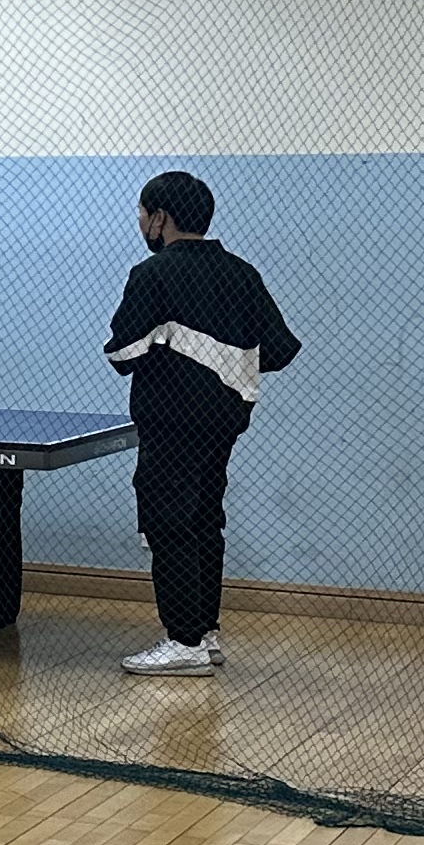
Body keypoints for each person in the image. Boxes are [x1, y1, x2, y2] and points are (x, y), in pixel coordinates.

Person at [104, 170, 300, 676]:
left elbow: (122, 353)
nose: (141, 223)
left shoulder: (152, 275)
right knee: (205, 520)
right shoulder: (242, 273)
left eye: (143, 214)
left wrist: (179, 357)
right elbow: (280, 349)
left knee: (168, 524)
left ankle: (184, 641)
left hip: (170, 422)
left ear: (161, 218)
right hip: (224, 422)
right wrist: (226, 367)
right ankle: (205, 632)